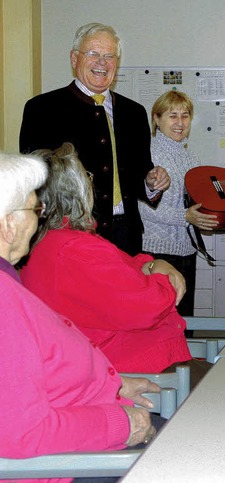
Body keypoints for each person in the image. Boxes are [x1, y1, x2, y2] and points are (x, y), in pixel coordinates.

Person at [0, 151, 159, 468]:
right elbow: (20, 433)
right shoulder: (4, 301)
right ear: (7, 225)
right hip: (72, 464)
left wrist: (113, 384)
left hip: (98, 422)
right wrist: (123, 424)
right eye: (35, 209)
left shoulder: (8, 280)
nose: (40, 219)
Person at [20, 143, 204, 380]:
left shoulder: (51, 242)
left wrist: (152, 264)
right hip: (142, 369)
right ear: (75, 192)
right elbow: (149, 306)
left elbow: (125, 267)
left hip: (129, 360)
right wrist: (163, 277)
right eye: (87, 176)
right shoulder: (77, 249)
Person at [19, 22, 170, 256]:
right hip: (69, 237)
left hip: (126, 237)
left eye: (109, 56)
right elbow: (35, 180)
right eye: (93, 54)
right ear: (74, 58)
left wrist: (151, 183)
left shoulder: (134, 113)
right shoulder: (42, 109)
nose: (102, 62)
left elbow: (140, 173)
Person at [139, 90, 218, 316]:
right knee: (158, 322)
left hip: (186, 251)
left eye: (185, 116)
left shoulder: (192, 158)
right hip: (154, 253)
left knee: (185, 323)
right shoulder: (145, 154)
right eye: (172, 116)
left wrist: (205, 217)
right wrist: (184, 217)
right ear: (156, 119)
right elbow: (142, 207)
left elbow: (194, 203)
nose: (180, 123)